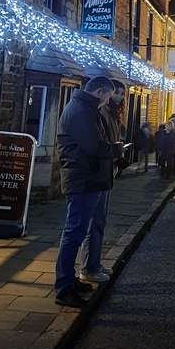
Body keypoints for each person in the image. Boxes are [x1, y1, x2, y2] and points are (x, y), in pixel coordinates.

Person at [55, 77, 118, 308]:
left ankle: (70, 280)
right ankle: (63, 288)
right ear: (100, 92)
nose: (108, 101)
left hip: (91, 180)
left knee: (79, 232)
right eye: (108, 96)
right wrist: (116, 149)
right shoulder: (81, 111)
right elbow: (93, 146)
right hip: (82, 180)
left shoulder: (87, 108)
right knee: (74, 233)